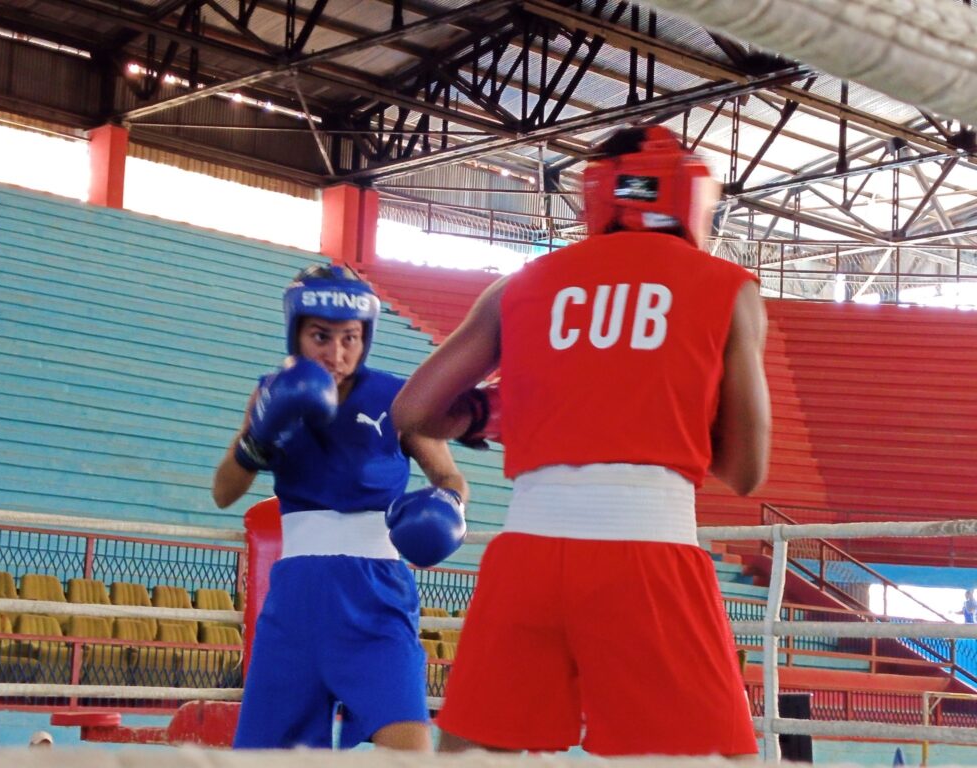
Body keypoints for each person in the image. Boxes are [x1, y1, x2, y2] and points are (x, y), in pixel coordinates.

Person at [391, 126, 771, 757]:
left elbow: (415, 411)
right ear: (691, 197)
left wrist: (493, 409)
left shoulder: (521, 283)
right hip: (647, 558)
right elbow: (746, 470)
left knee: (474, 757)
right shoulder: (729, 288)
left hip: (527, 556)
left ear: (596, 194)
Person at [212, 264, 469, 752]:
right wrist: (256, 442)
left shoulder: (397, 397)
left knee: (409, 747)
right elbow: (223, 492)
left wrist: (449, 505)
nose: (337, 353)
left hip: (378, 597)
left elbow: (449, 475)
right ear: (297, 334)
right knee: (267, 760)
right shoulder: (270, 393)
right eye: (321, 337)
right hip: (296, 601)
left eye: (350, 338)